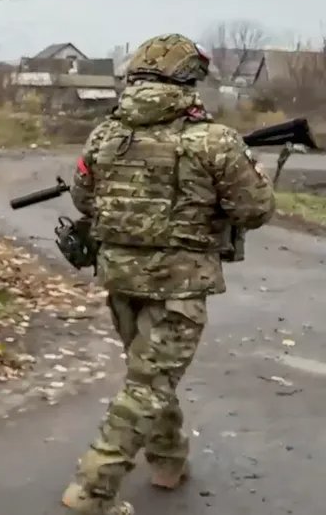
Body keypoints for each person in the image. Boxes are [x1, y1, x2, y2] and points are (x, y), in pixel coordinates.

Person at [59, 34, 275, 515]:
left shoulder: (105, 134)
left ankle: (168, 460)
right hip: (179, 284)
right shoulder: (214, 140)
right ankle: (93, 490)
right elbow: (255, 210)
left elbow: (83, 198)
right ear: (190, 82)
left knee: (150, 375)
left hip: (119, 278)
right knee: (149, 383)